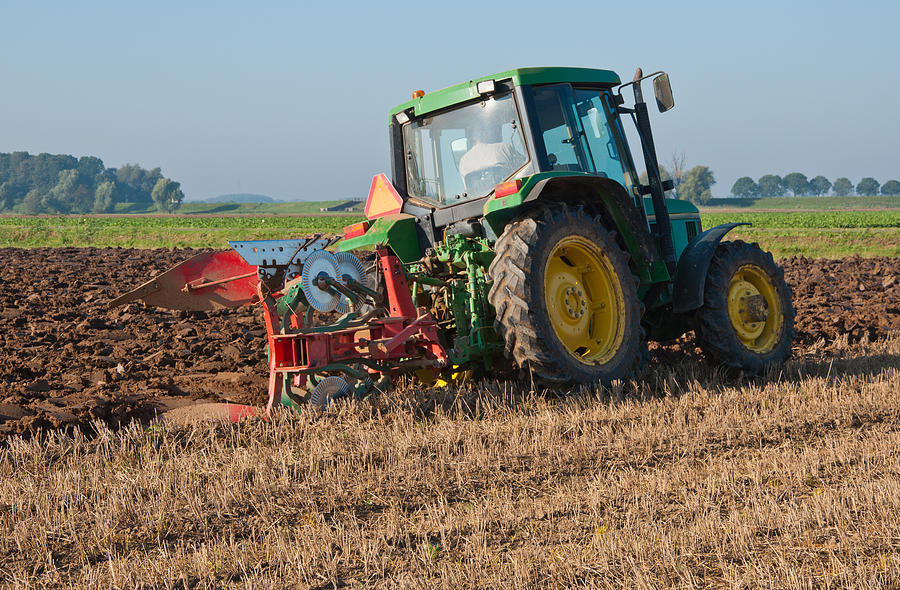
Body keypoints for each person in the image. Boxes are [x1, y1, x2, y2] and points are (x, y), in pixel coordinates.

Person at [457, 124, 521, 194]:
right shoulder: (504, 148)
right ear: (486, 133)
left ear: (469, 137)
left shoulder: (464, 161)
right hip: (509, 195)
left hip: (480, 202)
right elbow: (526, 170)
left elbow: (469, 191)